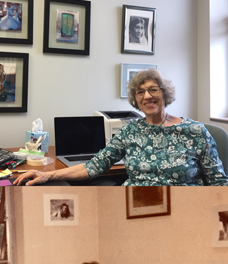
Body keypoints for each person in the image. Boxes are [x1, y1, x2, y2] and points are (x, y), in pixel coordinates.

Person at [14, 69, 228, 186]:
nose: (147, 96)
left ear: (165, 93)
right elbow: (94, 166)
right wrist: (48, 175)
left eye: (153, 90)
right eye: (140, 92)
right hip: (134, 206)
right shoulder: (130, 131)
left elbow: (219, 182)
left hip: (183, 210)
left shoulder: (196, 132)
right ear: (136, 100)